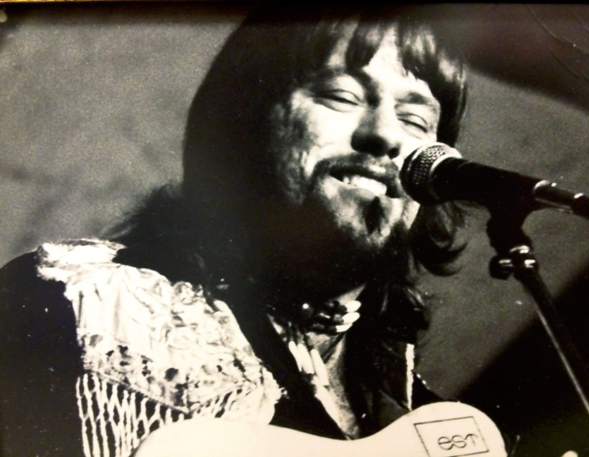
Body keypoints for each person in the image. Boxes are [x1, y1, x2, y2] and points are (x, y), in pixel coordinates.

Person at [0, 6, 473, 457]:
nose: (386, 134)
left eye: (415, 120)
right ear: (243, 121)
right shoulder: (77, 311)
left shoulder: (424, 421)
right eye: (342, 97)